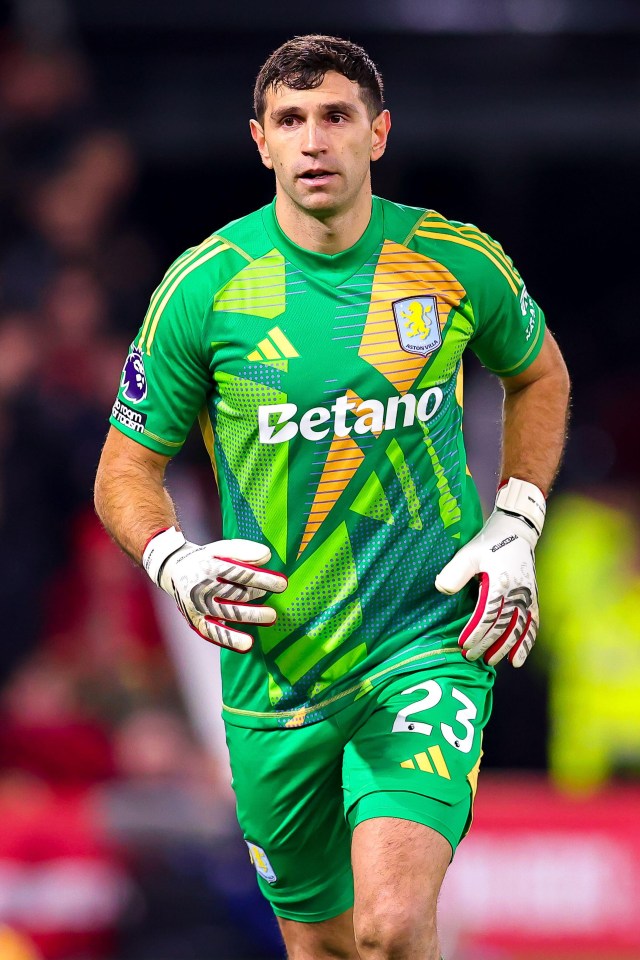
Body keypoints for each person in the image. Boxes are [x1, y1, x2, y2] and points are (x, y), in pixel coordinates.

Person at [94, 35, 570, 960]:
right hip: (275, 668)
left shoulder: (454, 260)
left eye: (336, 116)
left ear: (378, 134)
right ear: (260, 141)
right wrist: (174, 559)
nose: (314, 140)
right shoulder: (205, 290)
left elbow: (539, 376)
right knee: (324, 947)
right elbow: (124, 470)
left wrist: (517, 518)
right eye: (291, 120)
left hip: (425, 640)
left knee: (392, 928)